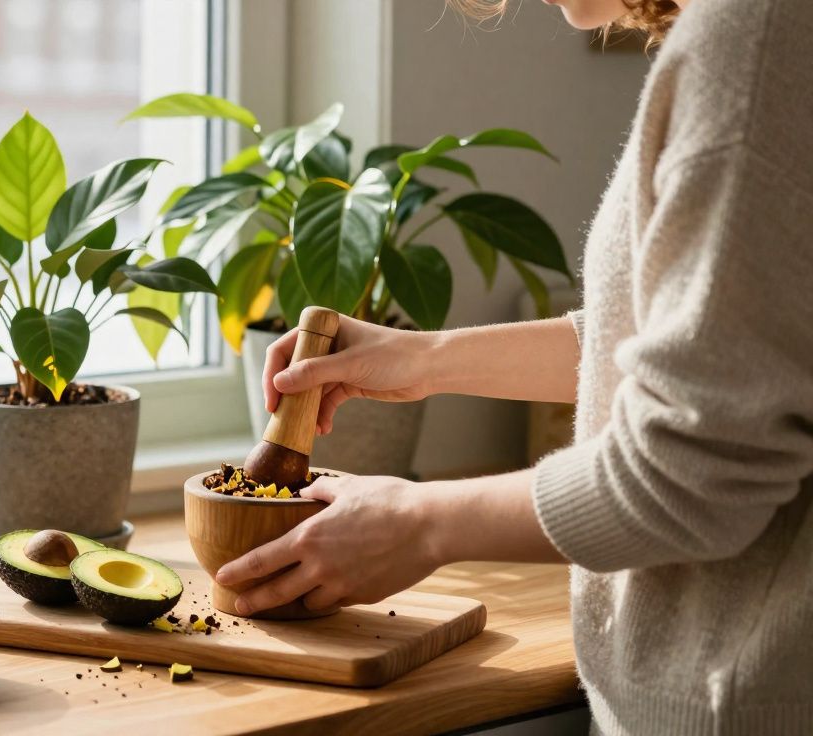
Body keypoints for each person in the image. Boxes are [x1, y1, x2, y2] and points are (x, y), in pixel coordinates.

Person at [215, 0, 813, 731]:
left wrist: (423, 523)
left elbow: (692, 465)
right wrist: (425, 358)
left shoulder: (757, 39)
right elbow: (696, 342)